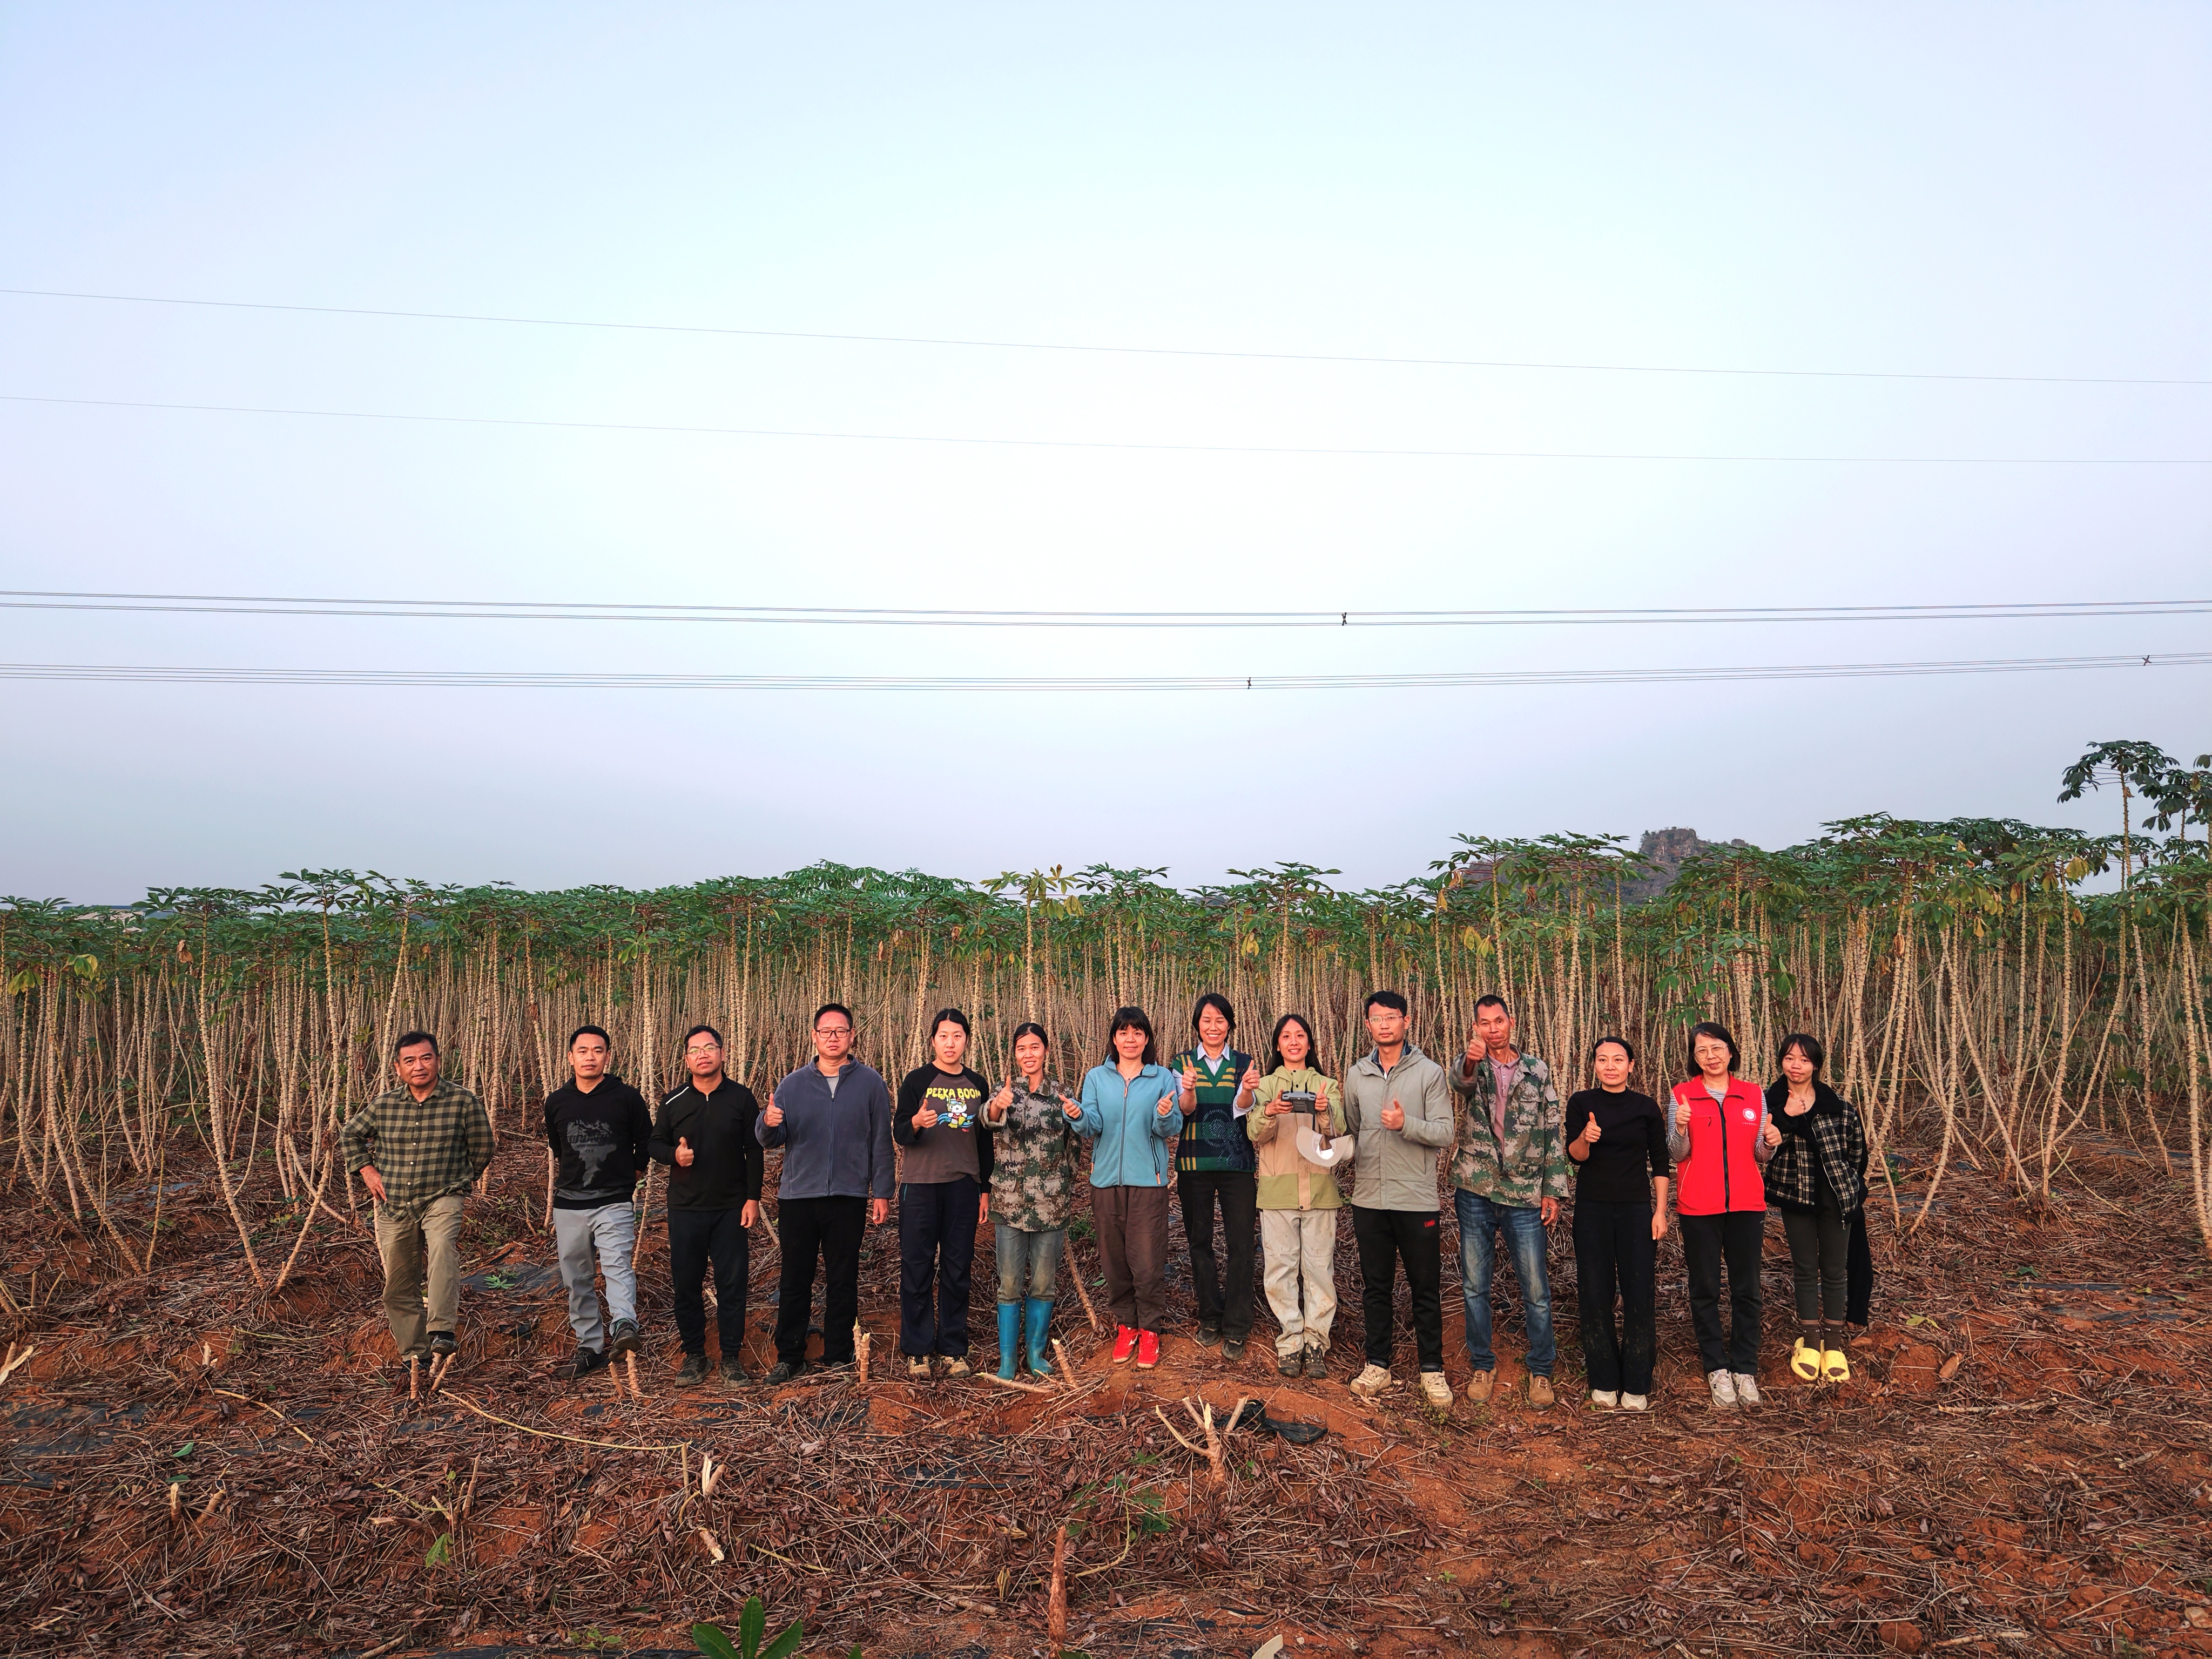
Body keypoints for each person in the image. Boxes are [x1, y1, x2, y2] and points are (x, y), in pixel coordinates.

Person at [341, 1031, 494, 1372]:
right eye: (409, 1061)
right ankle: (416, 1355)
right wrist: (367, 1170)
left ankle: (442, 1330)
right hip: (394, 1202)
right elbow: (350, 1134)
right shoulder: (384, 1105)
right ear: (398, 1068)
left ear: (438, 1060)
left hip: (443, 1195)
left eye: (426, 1058)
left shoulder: (463, 1101)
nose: (419, 1066)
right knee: (398, 1285)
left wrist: (460, 1180)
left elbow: (483, 1146)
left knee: (442, 1248)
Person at [759, 1003, 894, 1384]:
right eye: (826, 1031)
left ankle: (839, 1352)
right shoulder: (792, 1085)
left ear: (852, 1036)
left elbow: (881, 1142)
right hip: (799, 1196)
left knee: (842, 1276)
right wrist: (767, 1123)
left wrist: (882, 1192)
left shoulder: (871, 1083)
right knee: (795, 1277)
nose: (833, 1038)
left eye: (841, 1031)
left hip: (849, 1196)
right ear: (814, 1036)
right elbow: (771, 1137)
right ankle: (790, 1356)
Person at [1446, 995, 1569, 1411]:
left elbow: (1552, 1130)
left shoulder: (1537, 1070)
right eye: (1485, 1023)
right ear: (1476, 1028)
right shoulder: (1471, 1064)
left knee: (1535, 1288)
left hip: (1524, 1191)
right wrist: (1470, 1060)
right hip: (1476, 1189)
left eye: (1498, 1021)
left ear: (1511, 1022)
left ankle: (1541, 1369)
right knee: (1474, 1285)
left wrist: (1553, 1189)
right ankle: (1482, 1364)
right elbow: (1460, 1084)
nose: (1493, 1029)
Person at [1341, 991, 1455, 1408]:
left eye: (1392, 1017)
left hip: (1416, 1199)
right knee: (1376, 1287)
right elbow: (1354, 1128)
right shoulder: (1357, 1075)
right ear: (1368, 1026)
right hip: (1369, 1198)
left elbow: (1445, 1132)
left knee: (1425, 1286)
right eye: (1377, 1018)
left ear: (1407, 1022)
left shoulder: (1429, 1073)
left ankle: (1432, 1370)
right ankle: (1378, 1365)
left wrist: (1407, 1124)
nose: (1385, 1025)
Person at [1667, 1020, 1775, 1411]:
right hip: (1699, 1206)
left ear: (1731, 1051)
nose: (1711, 1056)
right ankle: (1716, 1367)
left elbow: (1760, 1154)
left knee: (1747, 1289)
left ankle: (1745, 1367)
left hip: (1747, 1204)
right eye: (1702, 1051)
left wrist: (1771, 1143)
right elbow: (1676, 1154)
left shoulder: (1754, 1095)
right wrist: (1681, 1129)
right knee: (1706, 1288)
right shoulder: (1682, 1095)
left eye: (1717, 1048)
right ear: (1694, 1057)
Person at [650, 1024, 764, 1386]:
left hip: (732, 1208)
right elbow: (654, 1144)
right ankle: (694, 1356)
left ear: (722, 1054)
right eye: (695, 1050)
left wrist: (753, 1198)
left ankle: (731, 1357)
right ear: (687, 1059)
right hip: (686, 1208)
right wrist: (674, 1155)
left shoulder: (741, 1099)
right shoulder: (673, 1102)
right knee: (687, 1284)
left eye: (710, 1048)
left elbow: (754, 1150)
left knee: (733, 1284)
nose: (703, 1055)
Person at [1563, 1036, 1671, 1412]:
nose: (1610, 1066)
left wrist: (1660, 1211)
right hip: (1592, 1210)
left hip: (1636, 1210)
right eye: (1602, 1059)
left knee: (1639, 1293)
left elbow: (1660, 1161)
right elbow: (1575, 1156)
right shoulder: (1581, 1103)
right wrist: (1585, 1137)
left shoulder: (1646, 1107)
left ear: (1631, 1065)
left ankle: (1637, 1382)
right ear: (1594, 1065)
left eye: (1618, 1060)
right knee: (1596, 1293)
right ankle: (1604, 1378)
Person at [1073, 1006, 1184, 1370]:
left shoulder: (1162, 1077)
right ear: (1114, 1038)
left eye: (1138, 1032)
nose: (1131, 1039)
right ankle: (1127, 1325)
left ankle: (1150, 1329)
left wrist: (1164, 1114)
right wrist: (1077, 1116)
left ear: (1147, 1038)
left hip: (1148, 1182)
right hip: (1105, 1181)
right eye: (1124, 1032)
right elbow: (1092, 1126)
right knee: (1114, 1260)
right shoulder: (1096, 1078)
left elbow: (1170, 1128)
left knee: (1147, 1261)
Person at [542, 1024, 653, 1381]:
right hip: (569, 1203)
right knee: (576, 1277)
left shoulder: (627, 1097)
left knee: (617, 1263)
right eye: (583, 1051)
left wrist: (631, 1175)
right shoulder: (557, 1102)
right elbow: (559, 1147)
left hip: (614, 1201)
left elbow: (645, 1141)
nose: (590, 1057)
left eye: (598, 1050)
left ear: (608, 1056)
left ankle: (624, 1325)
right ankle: (590, 1348)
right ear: (570, 1057)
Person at [1762, 1033, 1869, 1385]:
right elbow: (1762, 1148)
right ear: (1781, 1061)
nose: (1796, 1066)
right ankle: (1809, 1342)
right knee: (1806, 1269)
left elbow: (1857, 1154)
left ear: (1816, 1065)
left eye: (1804, 1060)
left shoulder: (1838, 1107)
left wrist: (1848, 1185)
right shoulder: (1768, 1104)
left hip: (1837, 1199)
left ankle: (1833, 1346)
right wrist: (1785, 1115)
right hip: (1796, 1198)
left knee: (1835, 1270)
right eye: (1790, 1058)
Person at [893, 1008, 994, 1379]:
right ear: (933, 1040)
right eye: (943, 1036)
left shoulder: (977, 1083)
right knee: (917, 1266)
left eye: (958, 1036)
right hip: (920, 1185)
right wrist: (916, 1122)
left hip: (963, 1186)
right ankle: (918, 1349)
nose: (950, 1043)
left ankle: (953, 1347)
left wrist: (985, 1189)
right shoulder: (917, 1080)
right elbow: (899, 1131)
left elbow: (985, 1142)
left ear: (967, 1040)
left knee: (957, 1267)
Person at [1247, 1013, 1348, 1380]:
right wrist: (1270, 1111)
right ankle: (1291, 1340)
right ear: (1277, 1044)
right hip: (1278, 1192)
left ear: (1309, 1043)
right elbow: (1254, 1134)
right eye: (1287, 1036)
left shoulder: (1327, 1085)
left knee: (1320, 1270)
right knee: (1280, 1270)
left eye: (1300, 1035)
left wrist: (1324, 1112)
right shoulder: (1265, 1086)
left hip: (1320, 1191)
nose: (1294, 1042)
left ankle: (1316, 1341)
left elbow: (1338, 1131)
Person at [981, 1021, 1082, 1380]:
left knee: (1043, 1283)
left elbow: (1074, 1142)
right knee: (1009, 1285)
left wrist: (1064, 1181)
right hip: (1009, 1204)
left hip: (1050, 1204)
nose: (1029, 1054)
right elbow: (988, 1120)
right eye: (1022, 1049)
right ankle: (1008, 1360)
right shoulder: (1004, 1090)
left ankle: (1036, 1355)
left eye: (1035, 1047)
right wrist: (998, 1106)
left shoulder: (1062, 1093)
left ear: (1046, 1051)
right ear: (1015, 1054)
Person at [1169, 993, 1262, 1359]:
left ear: (1230, 1025)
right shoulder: (1182, 1063)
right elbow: (1185, 1110)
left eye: (1220, 1020)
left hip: (1237, 1165)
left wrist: (1248, 1090)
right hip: (1195, 1166)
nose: (1213, 1027)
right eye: (1206, 1020)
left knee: (1242, 1244)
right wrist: (1188, 1088)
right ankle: (1210, 1316)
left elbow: (1242, 1109)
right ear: (1197, 1025)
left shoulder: (1244, 1063)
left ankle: (1237, 1324)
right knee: (1200, 1242)